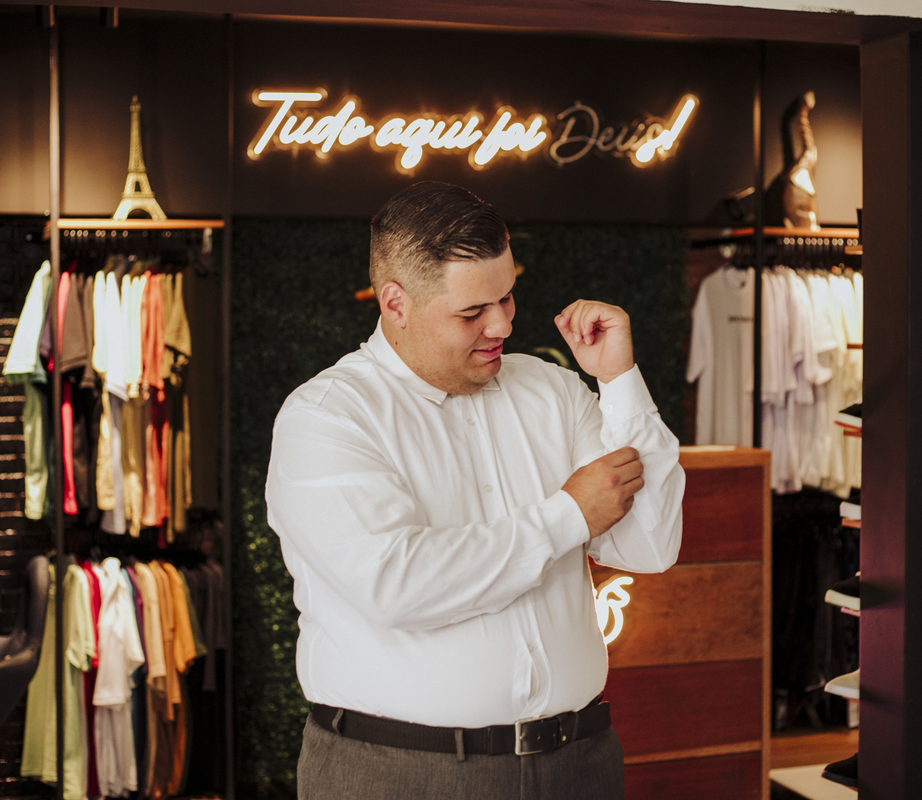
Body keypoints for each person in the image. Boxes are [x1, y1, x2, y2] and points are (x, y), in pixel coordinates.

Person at [265, 181, 686, 799]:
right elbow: (398, 585)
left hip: (579, 763)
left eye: (507, 296)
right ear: (396, 303)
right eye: (472, 313)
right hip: (398, 773)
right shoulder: (327, 417)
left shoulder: (554, 391)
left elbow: (650, 546)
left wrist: (619, 381)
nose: (502, 324)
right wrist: (570, 516)